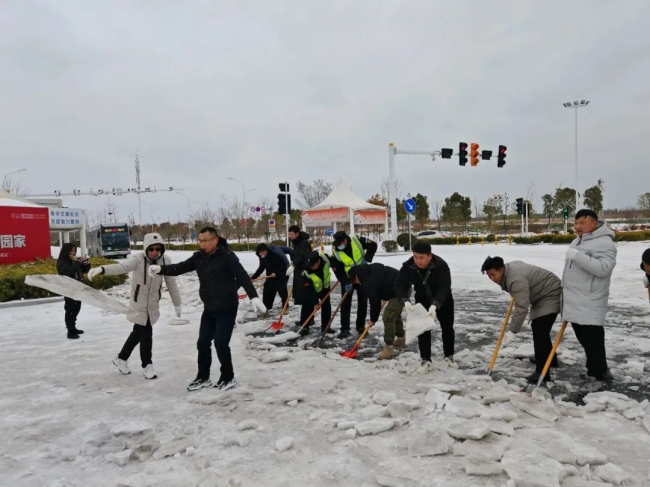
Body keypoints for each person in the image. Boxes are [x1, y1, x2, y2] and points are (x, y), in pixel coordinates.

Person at [148, 227, 266, 392]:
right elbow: (179, 268)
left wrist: (253, 296)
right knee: (202, 342)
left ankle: (228, 377)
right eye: (200, 240)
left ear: (215, 240)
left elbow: (242, 276)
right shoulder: (198, 257)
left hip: (227, 307)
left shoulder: (227, 256)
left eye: (205, 240)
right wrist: (160, 269)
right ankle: (203, 377)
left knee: (220, 343)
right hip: (209, 308)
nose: (202, 244)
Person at [88, 233, 182, 380]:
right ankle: (147, 365)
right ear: (146, 249)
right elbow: (122, 267)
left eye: (158, 249)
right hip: (139, 304)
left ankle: (121, 358)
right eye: (151, 249)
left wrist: (177, 303)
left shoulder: (165, 261)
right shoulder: (138, 259)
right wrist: (102, 269)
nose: (155, 252)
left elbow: (171, 283)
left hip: (153, 305)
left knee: (137, 333)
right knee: (146, 333)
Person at [481, 256, 562, 383]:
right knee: (540, 328)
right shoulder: (509, 271)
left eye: (493, 274)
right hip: (541, 292)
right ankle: (550, 360)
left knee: (540, 329)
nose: (492, 279)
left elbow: (522, 308)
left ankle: (542, 372)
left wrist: (513, 331)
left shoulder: (515, 280)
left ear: (501, 270)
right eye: (489, 276)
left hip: (550, 293)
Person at [562, 209, 617, 384]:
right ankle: (598, 369)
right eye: (576, 223)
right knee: (585, 338)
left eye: (582, 223)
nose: (577, 227)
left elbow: (603, 269)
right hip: (576, 299)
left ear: (594, 223)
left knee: (593, 339)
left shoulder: (604, 243)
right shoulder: (577, 241)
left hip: (590, 299)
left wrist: (578, 256)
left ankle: (597, 374)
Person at [394, 241, 455, 371]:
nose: (418, 261)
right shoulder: (408, 266)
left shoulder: (441, 265)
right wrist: (405, 300)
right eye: (416, 257)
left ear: (429, 256)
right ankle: (425, 359)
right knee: (423, 329)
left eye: (421, 257)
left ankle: (449, 356)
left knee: (447, 327)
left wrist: (435, 305)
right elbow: (399, 284)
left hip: (443, 298)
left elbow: (444, 287)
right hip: (422, 298)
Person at [349, 263, 406, 360]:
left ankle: (389, 348)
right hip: (397, 286)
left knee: (388, 317)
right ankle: (400, 339)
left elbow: (374, 302)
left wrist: (373, 319)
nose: (356, 282)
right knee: (394, 314)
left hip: (400, 290)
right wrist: (355, 286)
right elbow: (370, 286)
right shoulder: (368, 271)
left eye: (355, 280)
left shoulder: (370, 281)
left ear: (357, 275)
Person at [330, 231, 378, 338]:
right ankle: (345, 329)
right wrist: (345, 282)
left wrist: (366, 259)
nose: (339, 246)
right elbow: (338, 269)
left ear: (345, 240)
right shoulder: (336, 251)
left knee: (363, 301)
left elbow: (373, 245)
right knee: (345, 303)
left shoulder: (358, 241)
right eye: (337, 244)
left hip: (362, 275)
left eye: (340, 243)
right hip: (348, 278)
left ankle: (360, 326)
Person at [56, 243, 91, 339]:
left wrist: (85, 263)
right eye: (71, 250)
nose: (73, 252)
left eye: (74, 250)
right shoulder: (62, 261)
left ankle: (73, 327)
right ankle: (70, 331)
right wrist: (78, 262)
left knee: (77, 307)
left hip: (78, 287)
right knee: (70, 309)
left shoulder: (75, 260)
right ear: (66, 251)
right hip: (69, 288)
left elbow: (84, 270)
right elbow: (69, 271)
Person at [299, 251, 334, 336]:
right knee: (307, 305)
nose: (311, 267)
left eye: (313, 265)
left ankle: (326, 327)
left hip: (325, 288)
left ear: (318, 261)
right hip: (311, 289)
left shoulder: (326, 260)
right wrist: (315, 302)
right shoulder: (306, 270)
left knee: (326, 306)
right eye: (310, 265)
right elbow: (308, 289)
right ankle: (304, 327)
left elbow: (336, 265)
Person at [251, 243, 289, 313]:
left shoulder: (275, 256)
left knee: (283, 293)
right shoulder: (262, 258)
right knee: (267, 293)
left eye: (262, 252)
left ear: (266, 250)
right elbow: (261, 268)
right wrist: (253, 278)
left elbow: (283, 266)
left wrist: (276, 273)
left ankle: (285, 307)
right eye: (259, 252)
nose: (261, 254)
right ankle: (266, 308)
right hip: (270, 278)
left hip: (280, 277)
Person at [286, 225, 312, 313]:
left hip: (304, 272)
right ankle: (305, 319)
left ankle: (308, 319)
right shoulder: (297, 242)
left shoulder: (304, 243)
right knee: (302, 295)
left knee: (306, 295)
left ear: (297, 233)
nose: (290, 236)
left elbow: (303, 255)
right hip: (299, 270)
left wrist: (294, 264)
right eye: (289, 234)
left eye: (292, 234)